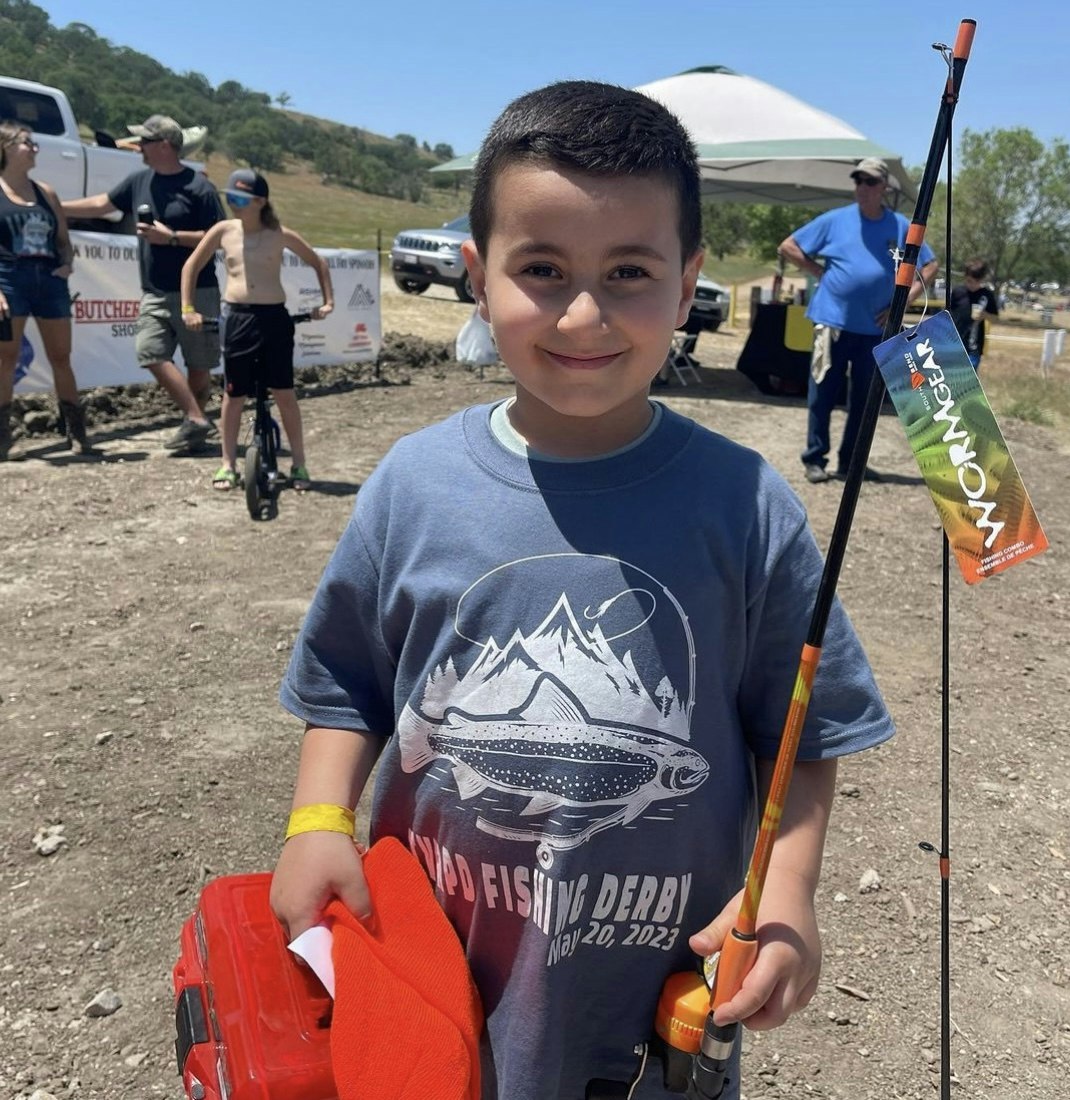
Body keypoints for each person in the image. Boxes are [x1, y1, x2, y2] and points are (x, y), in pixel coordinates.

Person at [270, 80, 895, 1100]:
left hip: (652, 1016)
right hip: (426, 978)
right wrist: (316, 822)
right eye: (542, 269)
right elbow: (345, 684)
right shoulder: (413, 483)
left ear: (691, 281)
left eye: (631, 271)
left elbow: (806, 733)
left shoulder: (744, 502)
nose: (584, 312)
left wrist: (784, 891)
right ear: (478, 276)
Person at [60, 114, 223, 454]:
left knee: (199, 367)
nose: (138, 148)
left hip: (198, 291)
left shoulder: (200, 187)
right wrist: (55, 207)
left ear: (164, 146)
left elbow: (219, 237)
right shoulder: (138, 181)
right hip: (154, 290)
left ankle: (193, 425)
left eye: (144, 143)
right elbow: (102, 204)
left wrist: (173, 237)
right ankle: (195, 417)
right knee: (149, 352)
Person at [779, 156, 939, 484]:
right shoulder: (835, 220)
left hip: (876, 329)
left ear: (884, 187)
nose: (862, 188)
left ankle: (852, 462)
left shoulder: (900, 226)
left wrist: (903, 302)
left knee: (865, 401)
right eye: (858, 181)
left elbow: (930, 265)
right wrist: (818, 271)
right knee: (822, 392)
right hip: (832, 322)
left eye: (869, 182)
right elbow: (789, 246)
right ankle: (814, 458)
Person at [180, 169, 333, 492]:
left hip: (274, 318)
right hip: (237, 317)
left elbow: (318, 262)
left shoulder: (280, 234)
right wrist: (187, 309)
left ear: (261, 201)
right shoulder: (223, 230)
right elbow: (191, 266)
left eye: (240, 199)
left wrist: (327, 302)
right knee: (234, 394)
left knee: (284, 392)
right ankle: (227, 465)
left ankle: (300, 464)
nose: (233, 205)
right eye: (229, 198)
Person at [0, 121, 91, 458]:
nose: (34, 148)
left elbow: (64, 242)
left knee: (61, 357)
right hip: (9, 279)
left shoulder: (46, 193)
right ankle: (3, 438)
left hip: (49, 280)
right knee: (5, 358)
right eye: (27, 143)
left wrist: (67, 264)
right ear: (6, 147)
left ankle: (77, 432)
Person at [948, 258, 999, 370]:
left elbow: (995, 318)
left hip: (973, 348)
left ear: (981, 280)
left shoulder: (986, 295)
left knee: (968, 382)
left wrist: (984, 315)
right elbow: (948, 314)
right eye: (969, 281)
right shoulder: (957, 292)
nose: (972, 285)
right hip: (954, 344)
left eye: (976, 282)